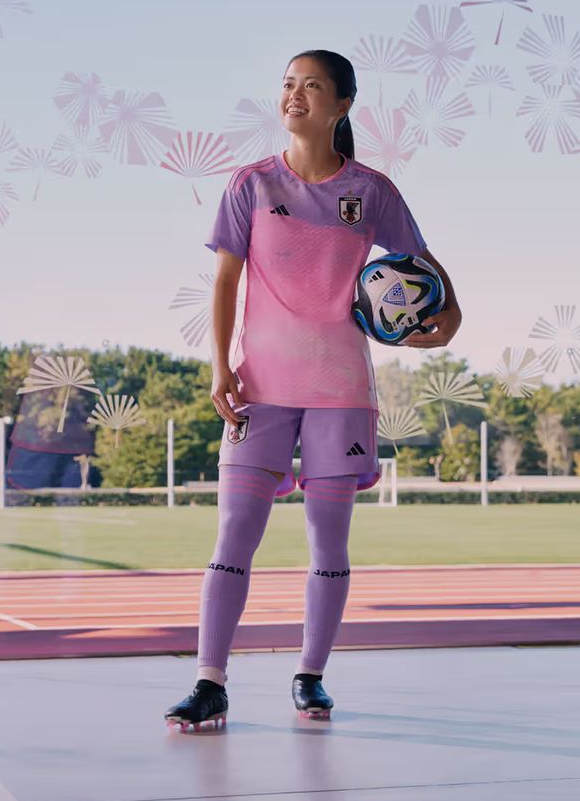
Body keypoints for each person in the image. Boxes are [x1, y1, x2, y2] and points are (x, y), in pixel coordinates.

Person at [165, 50, 461, 731]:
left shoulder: (372, 191)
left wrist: (452, 317)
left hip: (340, 391)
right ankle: (211, 681)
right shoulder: (250, 183)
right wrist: (220, 366)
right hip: (260, 389)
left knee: (328, 539)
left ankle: (311, 676)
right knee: (236, 530)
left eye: (311, 86)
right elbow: (225, 282)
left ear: (342, 106)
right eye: (287, 84)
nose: (294, 95)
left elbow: (426, 268)